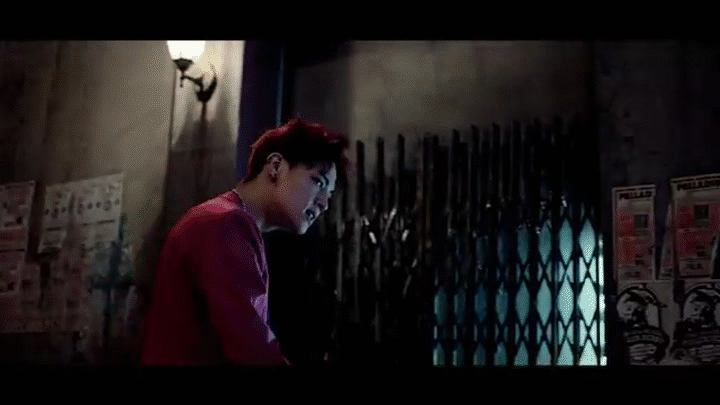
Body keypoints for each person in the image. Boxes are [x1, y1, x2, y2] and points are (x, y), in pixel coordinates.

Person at [140, 118, 348, 366]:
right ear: (275, 166)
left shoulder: (227, 222)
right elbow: (251, 349)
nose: (324, 204)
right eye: (318, 182)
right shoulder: (225, 223)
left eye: (329, 194)